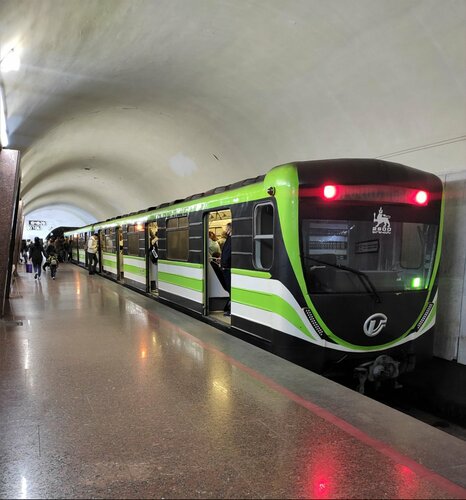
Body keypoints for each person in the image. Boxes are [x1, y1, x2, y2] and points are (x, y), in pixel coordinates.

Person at [220, 223, 232, 316]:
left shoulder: (231, 239)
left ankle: (231, 309)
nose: (226, 230)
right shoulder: (229, 238)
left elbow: (228, 253)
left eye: (227, 228)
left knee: (230, 289)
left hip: (228, 268)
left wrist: (224, 265)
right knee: (229, 289)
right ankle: (228, 308)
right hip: (226, 268)